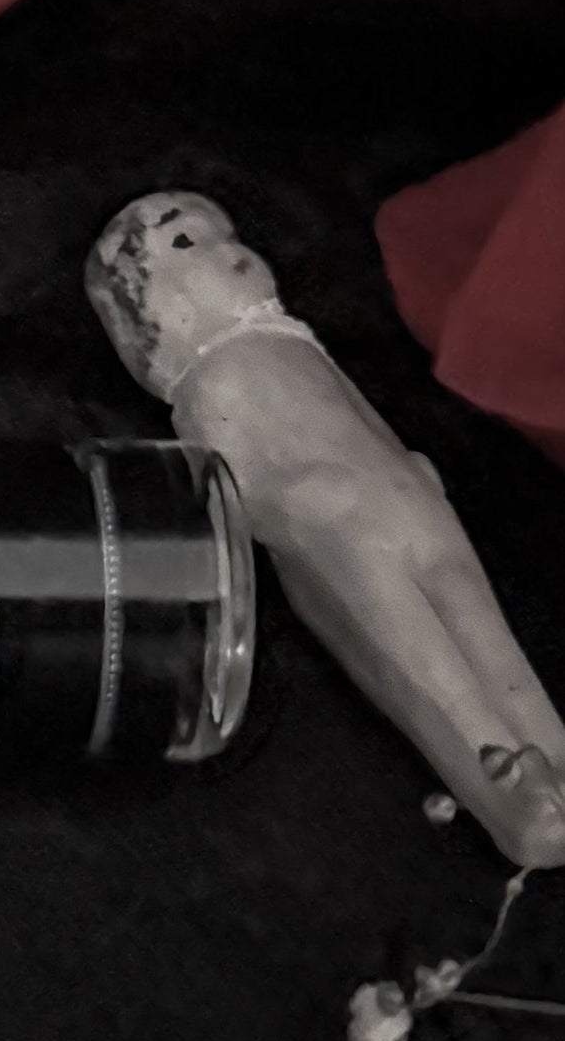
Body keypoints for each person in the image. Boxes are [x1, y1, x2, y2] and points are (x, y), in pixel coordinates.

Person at [87, 190, 565, 869]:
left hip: (404, 498)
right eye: (188, 243)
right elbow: (238, 487)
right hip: (340, 535)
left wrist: (408, 464)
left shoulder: (292, 343)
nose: (231, 250)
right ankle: (516, 806)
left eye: (227, 232)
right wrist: (301, 502)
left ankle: (556, 756)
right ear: (151, 308)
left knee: (486, 634)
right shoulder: (212, 384)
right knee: (431, 671)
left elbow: (358, 419)